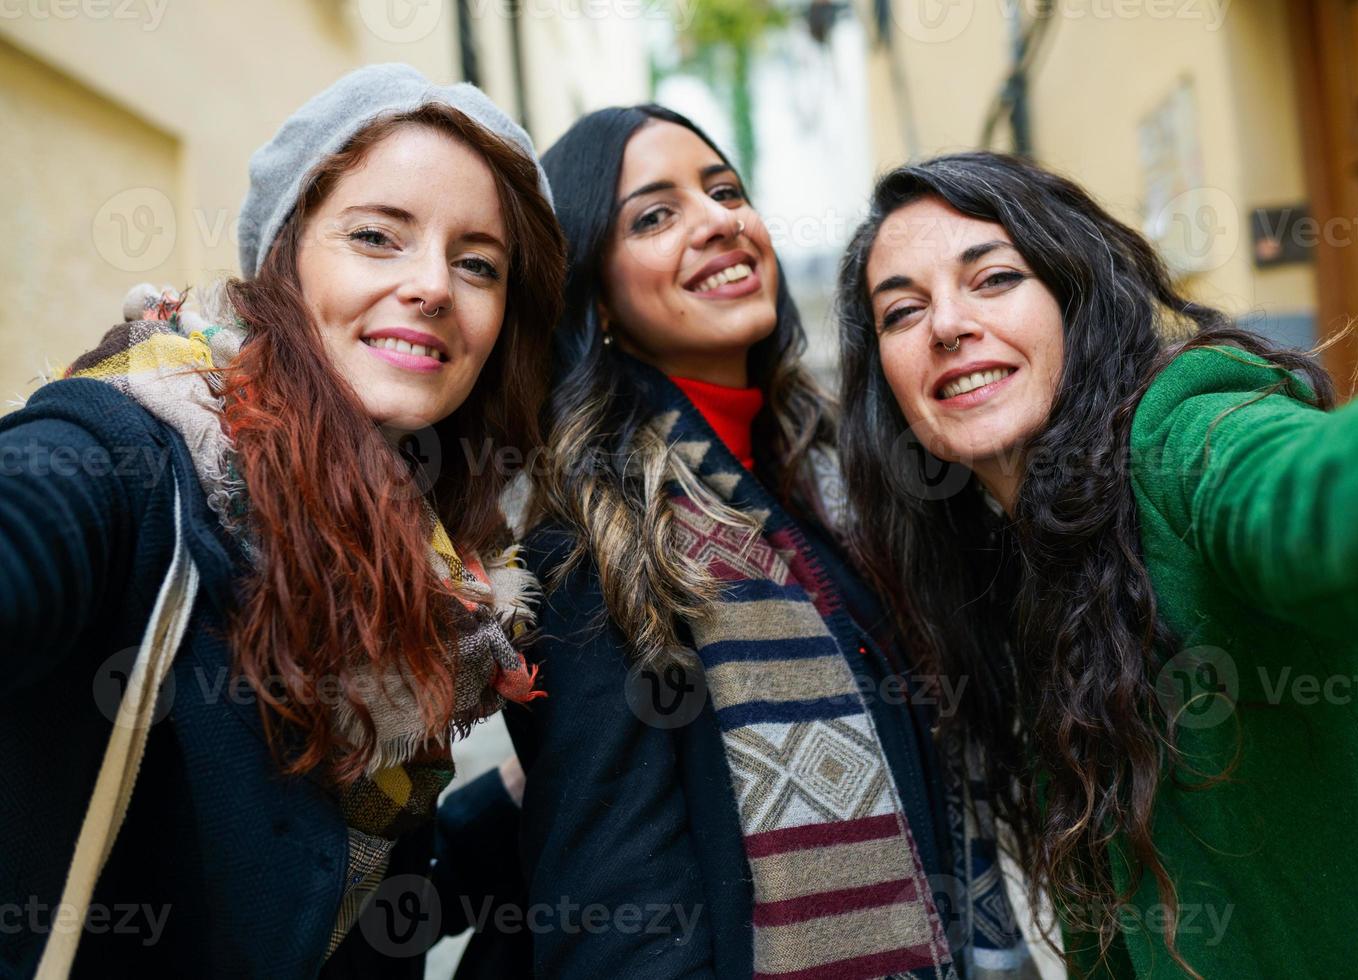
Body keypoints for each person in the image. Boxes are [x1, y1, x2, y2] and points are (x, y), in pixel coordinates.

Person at [834, 151, 1358, 978]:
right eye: (903, 311)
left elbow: (1307, 494)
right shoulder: (1008, 577)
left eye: (992, 279)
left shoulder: (1184, 439)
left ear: (1074, 297)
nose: (947, 324)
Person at [444, 106, 1037, 979]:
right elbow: (621, 928)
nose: (719, 220)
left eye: (726, 191)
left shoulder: (848, 483)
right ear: (596, 293)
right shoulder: (596, 546)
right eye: (655, 215)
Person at [0, 63, 565, 978]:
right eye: (378, 236)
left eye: (477, 263)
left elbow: (324, 906)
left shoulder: (435, 572)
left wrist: (526, 795)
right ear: (287, 258)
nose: (432, 285)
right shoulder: (138, 449)